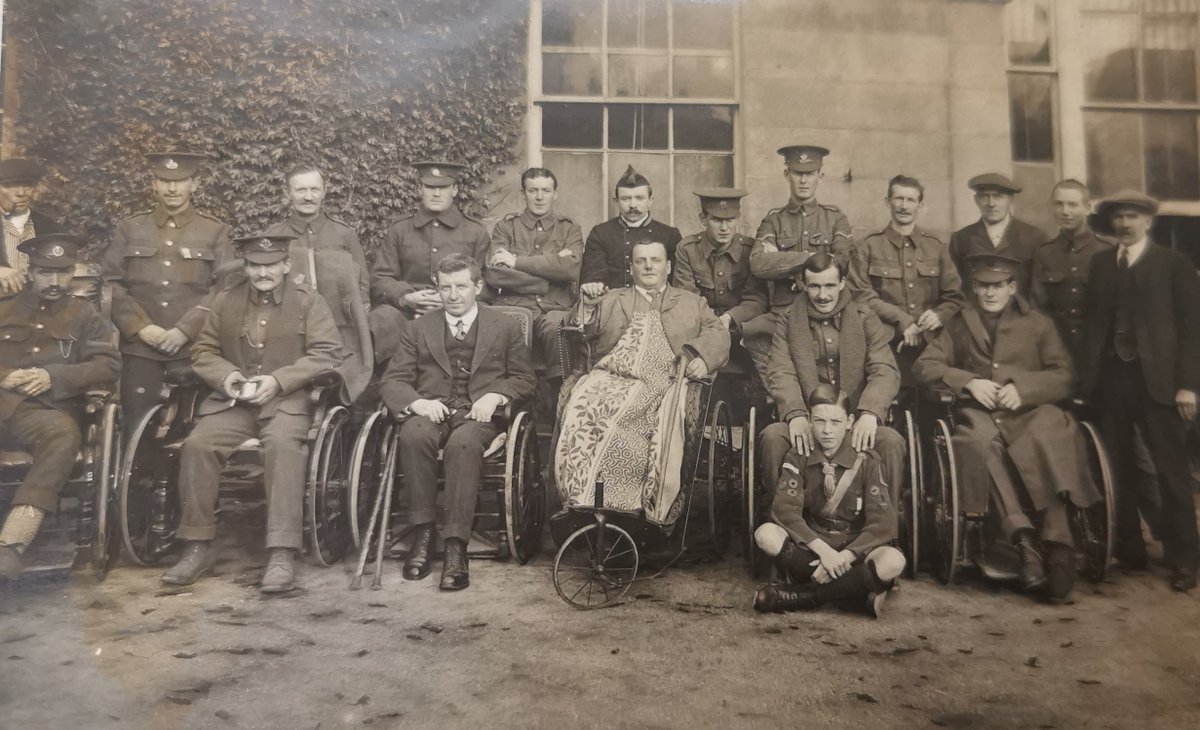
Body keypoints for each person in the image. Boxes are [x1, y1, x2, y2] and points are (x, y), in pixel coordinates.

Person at [162, 234, 344, 592]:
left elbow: (327, 352)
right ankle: (197, 545)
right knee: (198, 445)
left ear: (286, 265)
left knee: (283, 447)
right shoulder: (226, 300)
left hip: (287, 401)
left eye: (271, 265)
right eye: (255, 266)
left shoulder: (308, 301)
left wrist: (278, 380)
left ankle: (282, 551)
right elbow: (204, 351)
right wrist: (226, 377)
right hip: (235, 403)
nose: (263, 273)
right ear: (245, 267)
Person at [914, 253, 1101, 599]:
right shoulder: (957, 323)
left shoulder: (1038, 324)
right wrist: (969, 382)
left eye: (998, 286)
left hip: (1031, 412)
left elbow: (1064, 375)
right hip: (980, 414)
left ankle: (1058, 541)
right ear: (973, 288)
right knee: (978, 443)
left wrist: (1024, 389)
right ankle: (1023, 540)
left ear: (1012, 287)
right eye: (982, 286)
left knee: (1048, 433)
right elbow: (925, 366)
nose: (990, 293)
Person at [380, 253, 535, 591]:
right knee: (414, 434)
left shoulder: (504, 326)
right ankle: (423, 534)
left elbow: (524, 379)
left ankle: (455, 544)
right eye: (445, 287)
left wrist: (496, 397)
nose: (453, 295)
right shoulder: (417, 328)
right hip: (433, 408)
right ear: (437, 288)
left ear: (478, 287)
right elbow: (393, 380)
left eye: (461, 286)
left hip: (478, 414)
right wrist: (418, 403)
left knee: (462, 445)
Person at [555, 240, 729, 525]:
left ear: (668, 267)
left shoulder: (691, 302)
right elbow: (577, 330)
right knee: (583, 410)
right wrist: (586, 305)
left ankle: (638, 508)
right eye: (641, 261)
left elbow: (718, 333)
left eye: (655, 260)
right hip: (611, 378)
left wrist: (703, 358)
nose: (648, 266)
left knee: (647, 421)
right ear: (631, 268)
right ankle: (582, 501)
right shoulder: (612, 298)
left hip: (667, 379)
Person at [1080, 191, 1200, 592]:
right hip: (1112, 382)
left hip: (1160, 385)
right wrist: (1087, 384)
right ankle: (1130, 550)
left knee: (1171, 472)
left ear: (1148, 221)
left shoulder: (1174, 264)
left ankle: (1185, 557)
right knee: (1118, 469)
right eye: (1118, 217)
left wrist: (1188, 386)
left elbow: (1193, 330)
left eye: (1132, 217)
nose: (1124, 224)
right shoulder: (1102, 264)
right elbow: (1093, 327)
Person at [0, 235, 120, 580]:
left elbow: (108, 365)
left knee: (64, 433)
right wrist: (5, 375)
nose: (54, 281)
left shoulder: (84, 314)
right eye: (45, 272)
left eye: (63, 272)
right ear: (30, 271)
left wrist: (53, 376)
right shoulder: (5, 306)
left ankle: (12, 543)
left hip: (44, 414)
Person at [101, 151, 233, 432]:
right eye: (164, 181)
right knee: (138, 428)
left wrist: (185, 330)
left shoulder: (214, 230)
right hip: (141, 349)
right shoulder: (131, 228)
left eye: (180, 181)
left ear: (194, 184)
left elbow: (224, 288)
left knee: (191, 429)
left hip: (195, 348)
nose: (172, 188)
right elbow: (111, 282)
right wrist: (140, 327)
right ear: (154, 184)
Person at [759, 253, 904, 505]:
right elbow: (780, 371)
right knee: (773, 437)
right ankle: (782, 515)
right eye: (815, 286)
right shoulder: (788, 321)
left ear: (842, 283)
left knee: (891, 442)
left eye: (829, 286)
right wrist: (795, 414)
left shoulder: (864, 318)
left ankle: (884, 516)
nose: (823, 295)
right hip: (809, 420)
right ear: (803, 285)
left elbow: (884, 369)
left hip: (853, 420)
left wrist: (870, 413)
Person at [752, 385, 904, 616]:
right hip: (812, 545)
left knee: (894, 561)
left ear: (849, 422)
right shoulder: (798, 455)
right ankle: (855, 591)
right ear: (809, 421)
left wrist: (844, 556)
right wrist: (825, 553)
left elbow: (882, 523)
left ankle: (806, 596)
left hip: (854, 548)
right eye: (819, 421)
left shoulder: (867, 460)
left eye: (835, 422)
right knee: (765, 535)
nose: (827, 431)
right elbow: (785, 510)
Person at [258, 163, 372, 399]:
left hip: (339, 331)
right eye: (300, 190)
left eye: (314, 189)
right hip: (289, 329)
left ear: (324, 191)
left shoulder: (344, 234)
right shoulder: (274, 235)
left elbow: (361, 287)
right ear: (288, 193)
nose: (308, 197)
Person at [744, 145, 853, 380]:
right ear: (787, 174)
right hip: (783, 313)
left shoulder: (835, 218)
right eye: (797, 173)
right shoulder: (774, 221)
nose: (803, 180)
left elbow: (842, 261)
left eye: (810, 174)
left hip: (824, 312)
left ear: (820, 176)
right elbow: (758, 263)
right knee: (751, 334)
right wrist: (808, 258)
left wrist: (783, 262)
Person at [369, 162, 489, 363]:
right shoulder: (400, 230)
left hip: (458, 309)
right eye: (430, 187)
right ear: (420, 189)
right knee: (383, 319)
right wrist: (406, 297)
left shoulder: (475, 232)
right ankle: (389, 379)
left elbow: (485, 282)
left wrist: (452, 299)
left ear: (454, 190)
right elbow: (381, 278)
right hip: (407, 312)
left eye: (443, 187)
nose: (436, 194)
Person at [849, 175, 964, 381]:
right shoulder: (867, 246)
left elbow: (955, 297)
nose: (904, 206)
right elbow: (861, 295)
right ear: (887, 202)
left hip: (931, 347)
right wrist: (903, 321)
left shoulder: (936, 247)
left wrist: (939, 315)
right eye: (898, 198)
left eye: (911, 200)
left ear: (920, 205)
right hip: (884, 344)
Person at [485, 167, 583, 380]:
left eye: (546, 191)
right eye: (533, 190)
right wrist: (549, 275)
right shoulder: (505, 227)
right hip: (514, 304)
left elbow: (570, 269)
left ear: (555, 194)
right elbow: (497, 273)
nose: (539, 197)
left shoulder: (569, 228)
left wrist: (516, 262)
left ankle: (560, 390)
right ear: (523, 194)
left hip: (554, 307)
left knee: (556, 326)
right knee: (499, 330)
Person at [1030, 179, 1112, 367]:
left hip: (1102, 352)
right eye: (1059, 204)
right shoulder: (1045, 252)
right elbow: (1037, 307)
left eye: (1073, 205)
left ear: (1087, 208)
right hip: (1057, 352)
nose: (1065, 211)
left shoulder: (1107, 249)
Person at [673, 188, 767, 341]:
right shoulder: (687, 250)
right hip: (699, 329)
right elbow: (687, 299)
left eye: (730, 220)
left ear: (739, 218)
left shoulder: (750, 251)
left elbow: (756, 301)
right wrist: (712, 324)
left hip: (740, 329)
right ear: (703, 219)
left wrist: (730, 317)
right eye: (716, 220)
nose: (724, 228)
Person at [578, 165, 682, 296]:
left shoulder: (670, 235)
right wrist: (594, 285)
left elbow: (677, 282)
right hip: (614, 303)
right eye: (625, 199)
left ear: (650, 200)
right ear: (616, 201)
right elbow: (593, 274)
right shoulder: (601, 233)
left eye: (639, 198)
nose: (633, 205)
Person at [948, 173, 1045, 297]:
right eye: (984, 197)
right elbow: (955, 289)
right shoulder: (961, 239)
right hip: (973, 309)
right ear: (976, 200)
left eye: (998, 197)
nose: (991, 203)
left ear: (1011, 200)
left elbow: (1039, 292)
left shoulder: (1034, 238)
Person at [0, 158, 64, 298]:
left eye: (27, 185)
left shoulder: (49, 227)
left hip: (37, 305)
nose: (21, 193)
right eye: (11, 186)